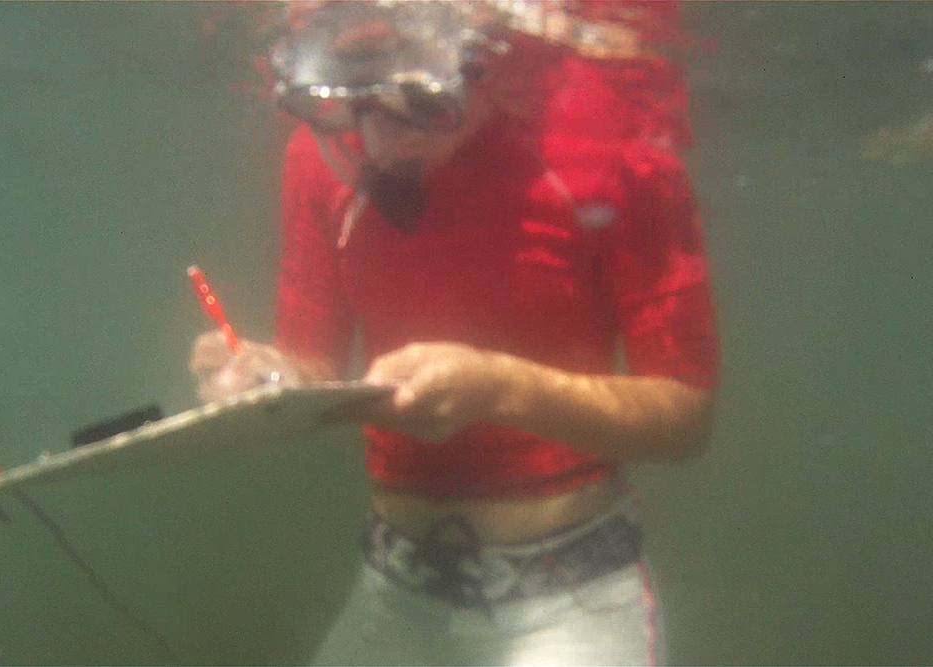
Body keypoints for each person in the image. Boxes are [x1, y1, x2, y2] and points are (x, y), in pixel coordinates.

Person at [190, 2, 719, 664]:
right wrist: (267, 378)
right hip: (393, 588)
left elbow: (685, 416)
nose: (380, 143)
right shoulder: (317, 157)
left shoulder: (618, 143)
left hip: (571, 602)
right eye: (355, 104)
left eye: (415, 100)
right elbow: (312, 364)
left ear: (486, 57)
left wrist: (501, 388)